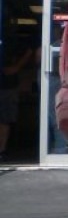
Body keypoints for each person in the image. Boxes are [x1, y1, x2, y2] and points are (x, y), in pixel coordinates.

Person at [0, 32, 33, 162]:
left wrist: (17, 66)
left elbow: (29, 52)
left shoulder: (14, 43)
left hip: (7, 87)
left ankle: (2, 150)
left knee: (4, 120)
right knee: (4, 121)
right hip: (8, 86)